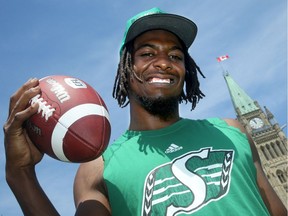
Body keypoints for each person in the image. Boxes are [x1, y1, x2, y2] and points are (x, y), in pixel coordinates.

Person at [4, 7, 286, 216]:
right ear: (125, 71)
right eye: (148, 54)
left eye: (175, 56)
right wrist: (20, 173)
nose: (164, 62)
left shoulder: (232, 131)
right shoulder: (98, 168)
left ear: (186, 72)